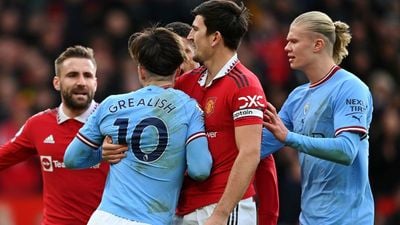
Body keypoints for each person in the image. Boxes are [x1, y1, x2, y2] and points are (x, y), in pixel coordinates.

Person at [64, 26, 213, 225]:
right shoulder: (188, 108)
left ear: (141, 71)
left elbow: (71, 158)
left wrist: (102, 153)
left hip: (104, 218)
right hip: (150, 220)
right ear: (178, 71)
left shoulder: (110, 104)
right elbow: (200, 169)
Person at [261, 11, 374, 224]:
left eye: (294, 41)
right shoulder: (297, 97)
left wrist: (290, 138)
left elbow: (346, 150)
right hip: (309, 219)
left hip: (348, 220)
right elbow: (258, 146)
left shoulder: (350, 87)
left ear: (318, 44)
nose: (287, 48)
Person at [166, 20, 279, 225]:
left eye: (184, 55)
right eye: (171, 59)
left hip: (218, 207)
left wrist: (268, 219)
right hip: (177, 210)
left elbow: (259, 158)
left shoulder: (239, 86)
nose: (179, 65)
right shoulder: (173, 95)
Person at [0, 45, 109, 224]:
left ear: (95, 83)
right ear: (57, 83)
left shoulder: (113, 123)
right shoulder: (38, 125)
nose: (81, 82)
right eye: (72, 75)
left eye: (87, 75)